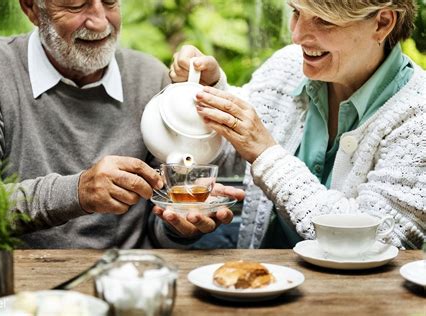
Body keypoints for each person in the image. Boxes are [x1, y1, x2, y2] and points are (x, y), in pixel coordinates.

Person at [0, 0, 243, 249]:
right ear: (31, 8)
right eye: (77, 4)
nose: (100, 22)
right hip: (23, 288)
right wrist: (77, 192)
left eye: (110, 2)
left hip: (127, 283)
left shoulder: (149, 77)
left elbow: (159, 221)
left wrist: (178, 226)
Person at [170, 0, 425, 249]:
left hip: (355, 291)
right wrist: (210, 90)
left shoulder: (418, 115)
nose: (297, 35)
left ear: (381, 23)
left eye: (323, 20)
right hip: (262, 281)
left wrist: (267, 156)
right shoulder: (288, 66)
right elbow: (236, 148)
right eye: (296, 12)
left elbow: (380, 240)